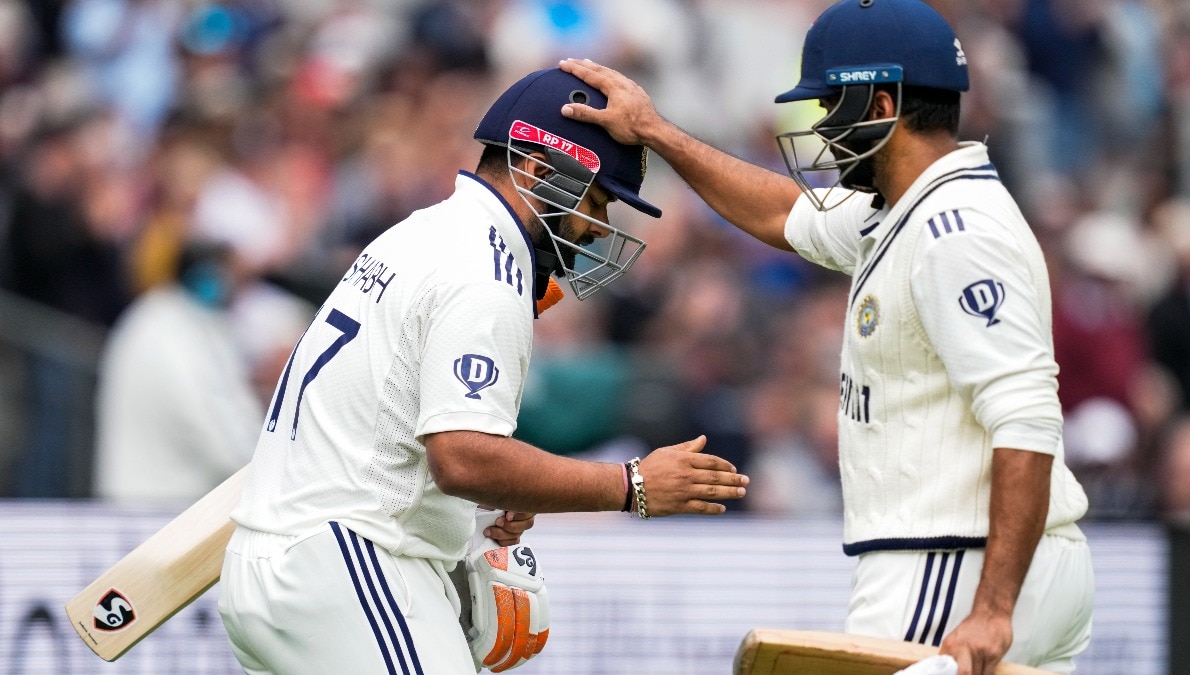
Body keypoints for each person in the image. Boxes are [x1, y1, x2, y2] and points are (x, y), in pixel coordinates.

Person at [558, 0, 1092, 672]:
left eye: (832, 104)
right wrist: (657, 131)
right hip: (996, 559)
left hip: (949, 560)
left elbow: (1027, 417)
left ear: (882, 103)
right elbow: (786, 211)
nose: (821, 127)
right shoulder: (904, 209)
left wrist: (991, 607)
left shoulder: (952, 232)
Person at [217, 67, 749, 674]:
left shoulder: (425, 231)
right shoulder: (487, 270)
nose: (596, 230)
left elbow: (392, 428)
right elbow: (462, 456)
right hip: (345, 563)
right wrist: (632, 485)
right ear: (538, 171)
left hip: (277, 562)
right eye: (595, 203)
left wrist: (481, 505)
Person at [94, 239, 263, 501]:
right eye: (235, 276)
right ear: (207, 280)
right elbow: (228, 446)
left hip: (141, 503)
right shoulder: (177, 337)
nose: (242, 289)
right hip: (158, 511)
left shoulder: (159, 318)